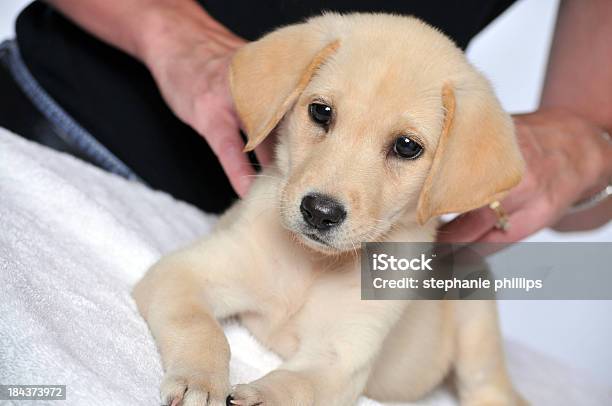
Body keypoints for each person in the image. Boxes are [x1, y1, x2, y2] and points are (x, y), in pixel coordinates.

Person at [0, 0, 610, 243]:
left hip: (339, 261)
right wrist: (174, 36)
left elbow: (586, 232)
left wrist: (588, 150)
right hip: (67, 141)